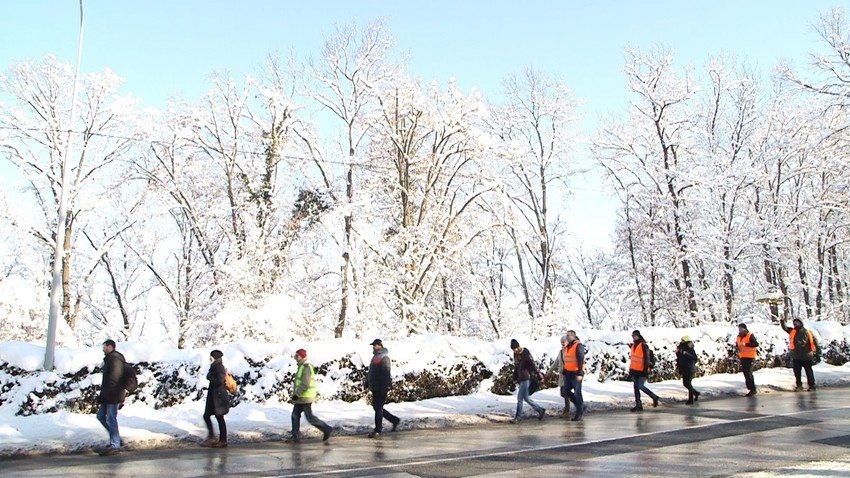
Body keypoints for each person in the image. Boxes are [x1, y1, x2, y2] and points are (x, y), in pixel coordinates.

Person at [286, 349, 333, 443]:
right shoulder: (302, 366)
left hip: (305, 397)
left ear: (302, 356)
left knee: (309, 417)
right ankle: (295, 436)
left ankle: (326, 429)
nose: (295, 358)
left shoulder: (306, 367)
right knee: (295, 415)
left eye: (297, 356)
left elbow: (305, 384)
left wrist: (297, 394)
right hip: (302, 397)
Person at [96, 339, 126, 456]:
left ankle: (115, 444)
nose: (103, 348)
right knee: (101, 416)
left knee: (111, 418)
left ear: (110, 347)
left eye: (105, 346)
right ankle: (116, 439)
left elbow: (115, 379)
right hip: (108, 395)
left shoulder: (115, 360)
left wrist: (111, 394)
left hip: (113, 395)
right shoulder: (109, 359)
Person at [367, 339, 400, 438]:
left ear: (380, 346)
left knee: (378, 408)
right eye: (373, 345)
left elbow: (386, 373)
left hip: (381, 387)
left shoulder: (384, 358)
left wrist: (384, 387)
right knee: (377, 407)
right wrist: (367, 381)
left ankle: (378, 430)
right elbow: (371, 372)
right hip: (375, 386)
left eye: (375, 345)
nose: (374, 347)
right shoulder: (375, 357)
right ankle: (394, 420)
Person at [510, 338, 546, 422]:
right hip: (521, 378)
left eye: (515, 348)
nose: (514, 350)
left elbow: (534, 366)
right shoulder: (516, 355)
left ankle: (518, 417)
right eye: (513, 349)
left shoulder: (526, 354)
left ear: (518, 346)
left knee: (520, 398)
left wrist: (540, 376)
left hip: (527, 378)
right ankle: (540, 410)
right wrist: (514, 377)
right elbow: (516, 367)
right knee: (526, 398)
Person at [201, 349, 230, 448]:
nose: (209, 358)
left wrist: (209, 377)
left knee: (219, 417)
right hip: (214, 397)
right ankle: (213, 437)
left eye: (211, 357)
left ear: (214, 358)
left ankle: (222, 440)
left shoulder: (219, 367)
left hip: (218, 398)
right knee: (207, 416)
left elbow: (220, 381)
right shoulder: (215, 366)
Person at [780, 318, 817, 391]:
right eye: (794, 323)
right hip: (796, 356)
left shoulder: (807, 332)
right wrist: (782, 321)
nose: (795, 324)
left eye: (797, 322)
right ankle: (799, 385)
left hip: (807, 355)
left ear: (801, 323)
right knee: (797, 372)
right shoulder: (792, 331)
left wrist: (817, 352)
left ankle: (812, 385)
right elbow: (785, 328)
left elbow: (814, 341)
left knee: (808, 371)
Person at [628, 330, 660, 412]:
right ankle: (638, 405)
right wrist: (631, 369)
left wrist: (646, 369)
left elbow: (646, 358)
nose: (634, 337)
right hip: (635, 370)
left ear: (639, 336)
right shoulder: (633, 346)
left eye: (635, 336)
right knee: (636, 388)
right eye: (633, 336)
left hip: (642, 370)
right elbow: (633, 359)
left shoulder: (643, 345)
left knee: (640, 386)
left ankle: (654, 397)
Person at [562, 330, 587, 421]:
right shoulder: (568, 346)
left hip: (576, 373)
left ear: (573, 336)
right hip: (568, 372)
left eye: (568, 335)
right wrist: (565, 369)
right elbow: (567, 359)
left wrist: (580, 372)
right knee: (566, 391)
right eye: (566, 335)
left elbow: (580, 359)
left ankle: (579, 413)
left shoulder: (578, 346)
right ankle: (580, 406)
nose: (567, 337)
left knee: (577, 393)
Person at [546, 335, 570, 417]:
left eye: (564, 342)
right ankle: (578, 403)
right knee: (562, 393)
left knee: (565, 393)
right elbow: (555, 363)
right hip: (562, 376)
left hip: (568, 375)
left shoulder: (570, 352)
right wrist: (549, 372)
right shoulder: (561, 352)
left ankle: (566, 411)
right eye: (561, 342)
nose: (563, 343)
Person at [675, 336, 701, 404]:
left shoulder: (689, 349)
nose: (681, 341)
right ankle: (695, 393)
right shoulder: (680, 348)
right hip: (684, 368)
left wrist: (686, 354)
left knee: (688, 383)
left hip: (689, 368)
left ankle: (690, 399)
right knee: (685, 383)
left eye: (683, 340)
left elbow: (694, 358)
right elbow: (679, 358)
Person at [736, 323, 759, 396]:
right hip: (743, 356)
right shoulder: (738, 337)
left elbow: (755, 344)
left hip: (750, 357)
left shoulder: (749, 335)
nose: (739, 330)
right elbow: (738, 345)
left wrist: (746, 344)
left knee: (749, 373)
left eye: (741, 328)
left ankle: (753, 389)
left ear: (744, 329)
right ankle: (750, 388)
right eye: (739, 328)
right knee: (745, 373)